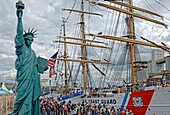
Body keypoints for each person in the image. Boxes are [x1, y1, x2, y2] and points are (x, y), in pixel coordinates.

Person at [9, 1, 41, 115]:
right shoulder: (22, 49)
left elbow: (36, 67)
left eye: (32, 40)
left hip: (31, 80)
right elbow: (19, 34)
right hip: (23, 78)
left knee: (29, 101)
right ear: (24, 39)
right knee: (20, 99)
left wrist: (42, 68)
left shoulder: (33, 53)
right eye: (28, 39)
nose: (30, 41)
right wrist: (19, 17)